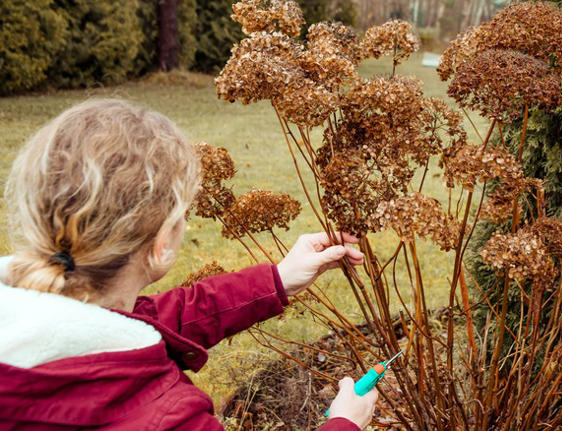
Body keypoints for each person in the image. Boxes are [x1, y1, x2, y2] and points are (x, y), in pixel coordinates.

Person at [0, 99, 378, 430]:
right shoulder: (168, 418)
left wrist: (278, 280)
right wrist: (344, 422)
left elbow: (150, 321)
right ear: (161, 244)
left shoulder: (32, 319)